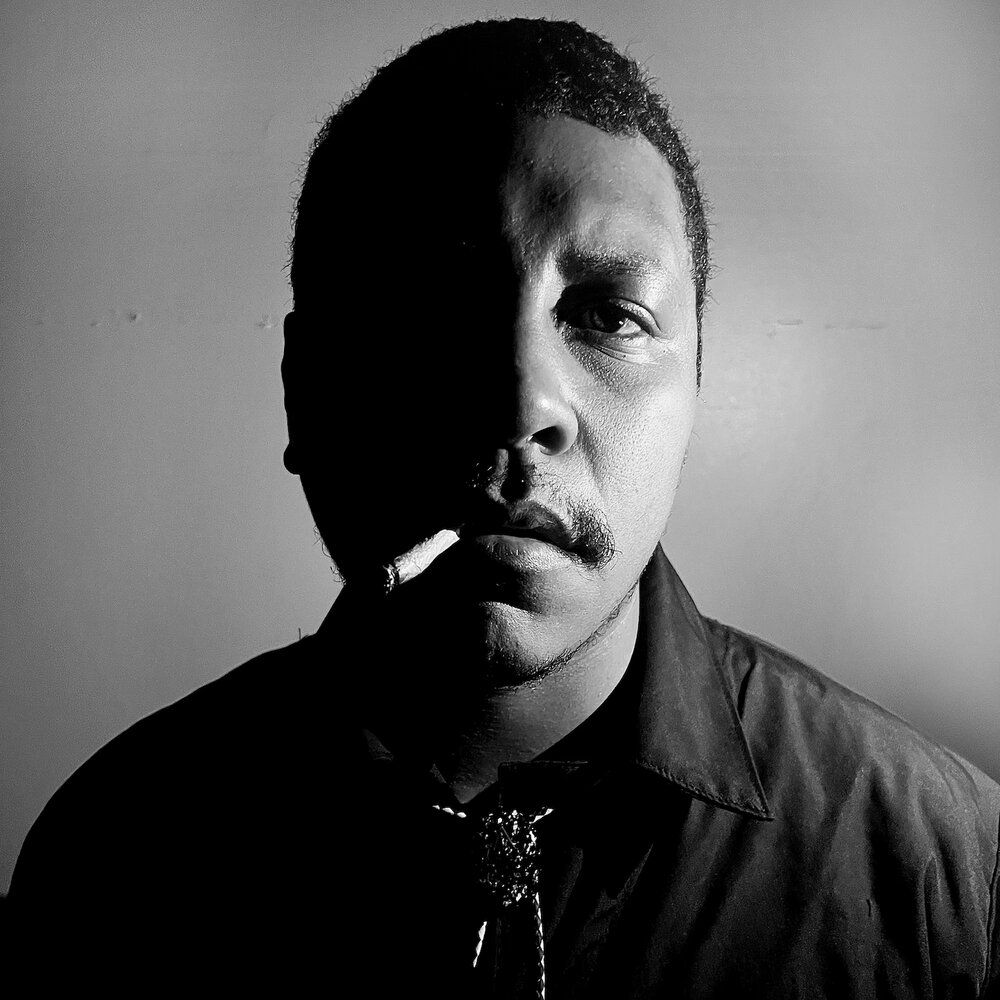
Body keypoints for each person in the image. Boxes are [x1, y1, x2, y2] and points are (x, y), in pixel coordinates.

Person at [9, 17, 999, 998]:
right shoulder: (116, 853)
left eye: (609, 315)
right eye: (431, 306)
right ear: (304, 391)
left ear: (694, 393)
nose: (522, 405)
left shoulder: (940, 871)